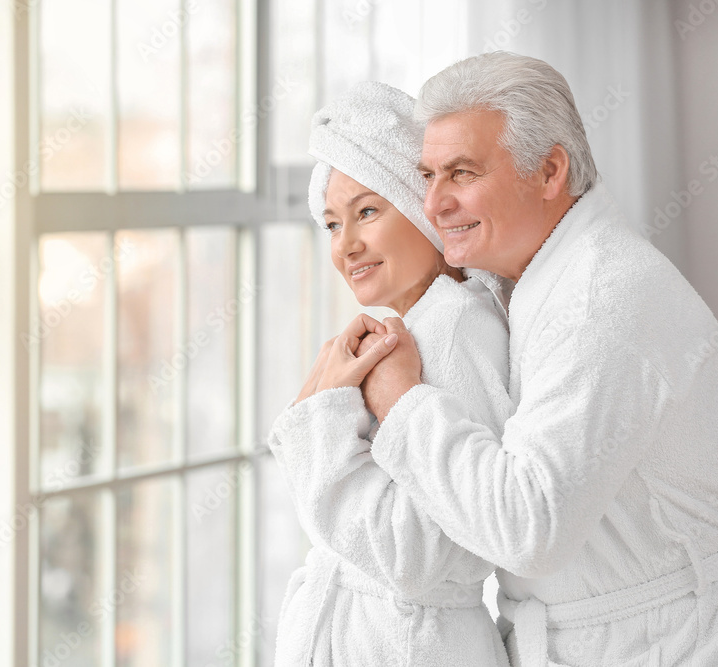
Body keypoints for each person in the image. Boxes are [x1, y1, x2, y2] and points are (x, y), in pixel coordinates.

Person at [303, 52, 718, 665]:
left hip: (682, 641)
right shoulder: (528, 285)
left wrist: (401, 403)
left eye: (461, 173)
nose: (434, 205)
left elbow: (526, 526)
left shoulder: (599, 299)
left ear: (550, 170)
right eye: (427, 176)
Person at [268, 80, 512, 667]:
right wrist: (321, 409)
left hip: (409, 644)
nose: (346, 246)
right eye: (331, 224)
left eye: (367, 212)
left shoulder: (455, 328)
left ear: (420, 207)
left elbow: (417, 554)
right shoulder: (415, 327)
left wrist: (319, 424)